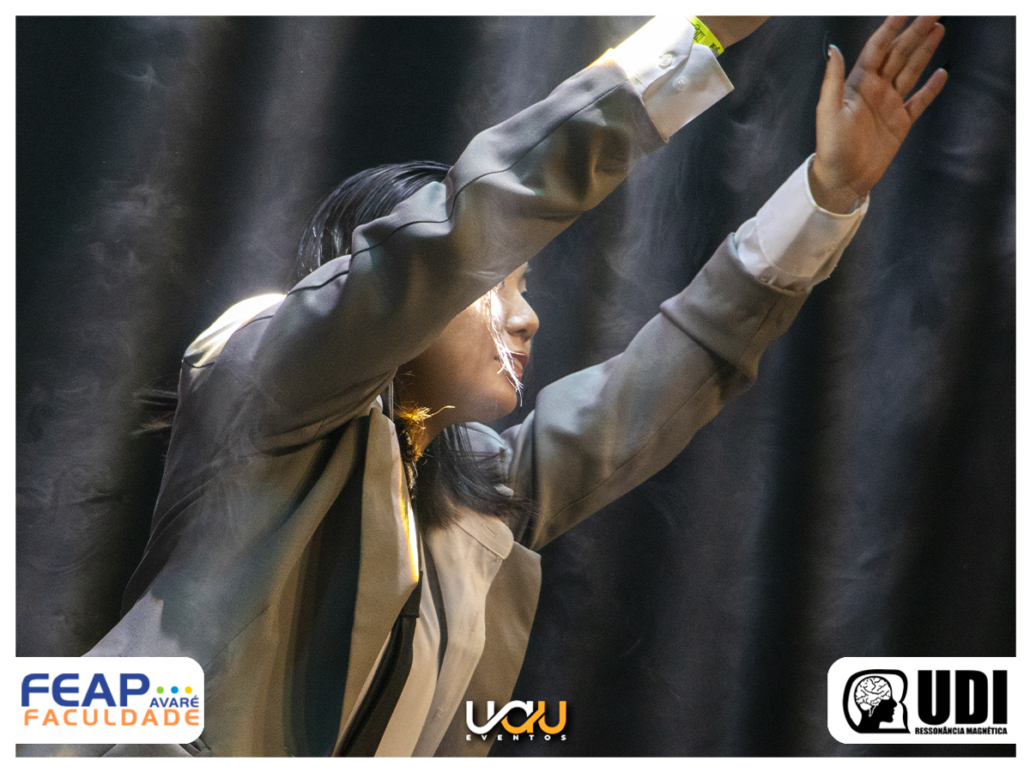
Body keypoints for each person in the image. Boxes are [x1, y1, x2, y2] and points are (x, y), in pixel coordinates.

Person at [18, 15, 946, 758]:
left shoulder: (479, 497)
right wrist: (691, 34)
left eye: (524, 289)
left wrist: (826, 197)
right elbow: (471, 220)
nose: (524, 317)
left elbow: (668, 373)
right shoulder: (268, 377)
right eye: (496, 287)